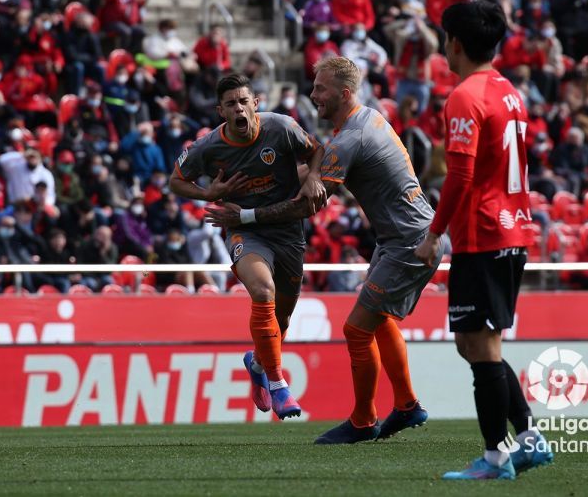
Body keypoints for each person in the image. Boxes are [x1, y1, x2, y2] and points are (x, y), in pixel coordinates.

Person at [206, 57, 445, 444]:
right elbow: (314, 175)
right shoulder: (367, 119)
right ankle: (405, 405)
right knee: (379, 320)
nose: (313, 95)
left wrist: (245, 214)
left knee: (356, 329)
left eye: (320, 88)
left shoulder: (350, 139)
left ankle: (364, 421)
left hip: (409, 241)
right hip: (403, 237)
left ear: (344, 93)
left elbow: (306, 206)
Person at [414, 0, 553, 480]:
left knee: (481, 347)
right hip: (512, 228)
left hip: (483, 233)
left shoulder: (465, 95)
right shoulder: (509, 91)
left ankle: (496, 458)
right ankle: (530, 440)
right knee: (475, 344)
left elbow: (461, 174)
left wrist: (434, 235)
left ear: (454, 43)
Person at [169, 74, 325, 420]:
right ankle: (277, 382)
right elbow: (176, 181)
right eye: (231, 104)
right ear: (220, 111)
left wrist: (313, 175)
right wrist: (206, 194)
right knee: (262, 290)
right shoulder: (208, 147)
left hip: (288, 231)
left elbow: (317, 151)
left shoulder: (281, 128)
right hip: (243, 230)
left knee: (282, 318)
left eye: (243, 101)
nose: (238, 108)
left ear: (255, 103)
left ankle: (256, 363)